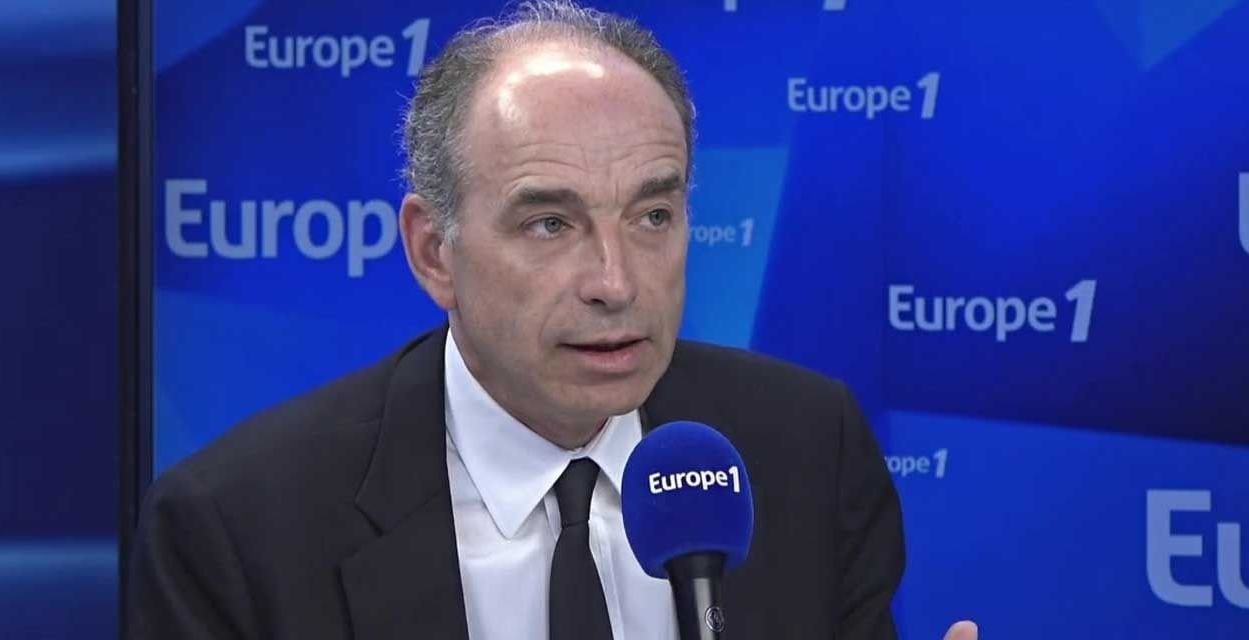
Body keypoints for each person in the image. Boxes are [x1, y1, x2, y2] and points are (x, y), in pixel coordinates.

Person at [127, 2, 977, 639]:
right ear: (433, 252)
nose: (616, 282)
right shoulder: (234, 533)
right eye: (549, 224)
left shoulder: (807, 448)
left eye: (652, 216)